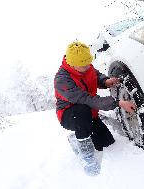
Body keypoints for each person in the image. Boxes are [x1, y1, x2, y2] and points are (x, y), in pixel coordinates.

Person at [54, 41, 136, 176]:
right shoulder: (62, 79)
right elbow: (87, 99)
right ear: (73, 64)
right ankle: (86, 156)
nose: (88, 66)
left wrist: (105, 81)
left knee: (106, 142)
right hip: (70, 115)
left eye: (88, 63)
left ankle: (78, 136)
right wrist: (118, 103)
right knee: (82, 110)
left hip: (89, 113)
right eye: (84, 65)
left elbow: (95, 75)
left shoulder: (85, 66)